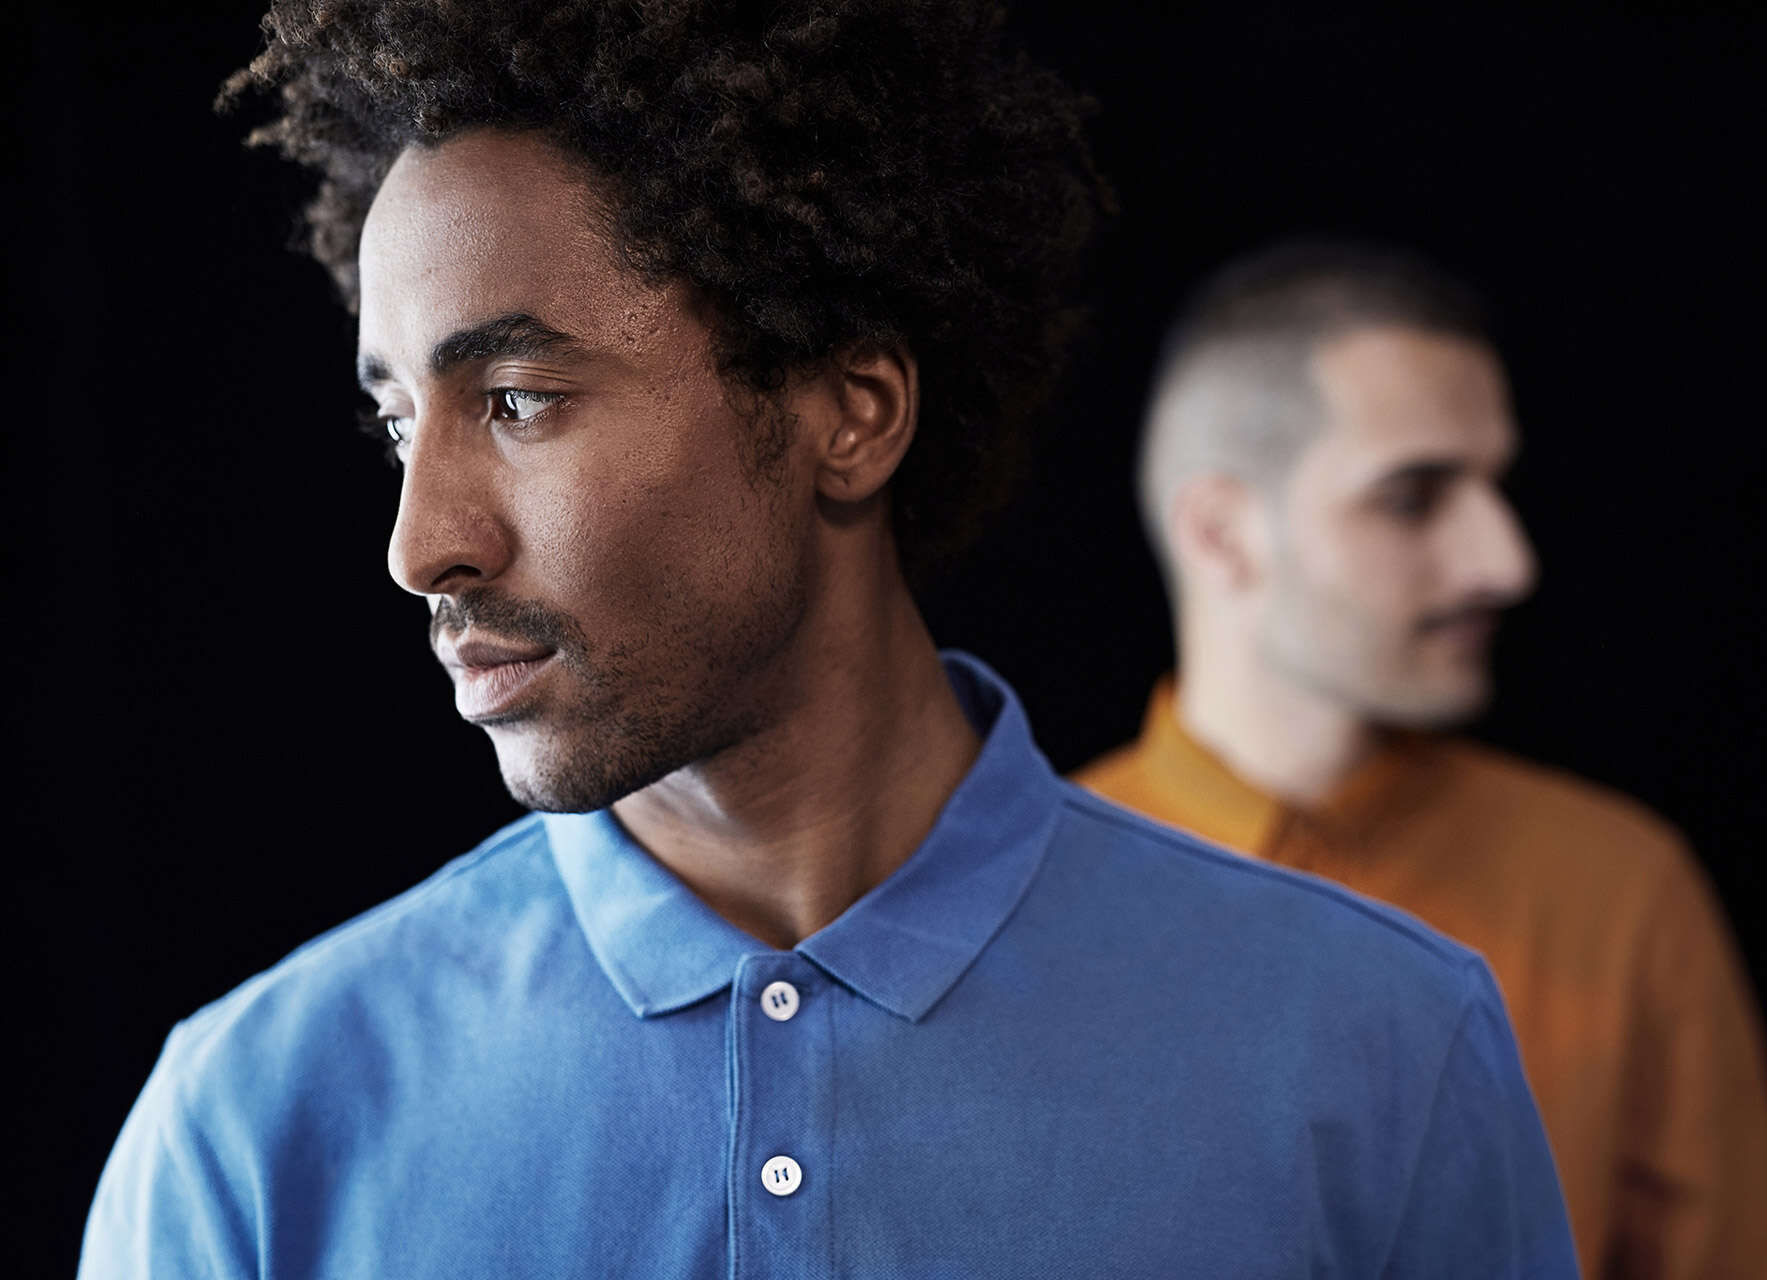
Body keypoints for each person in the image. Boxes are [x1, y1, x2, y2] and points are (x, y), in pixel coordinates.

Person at [80, 7, 1576, 1276]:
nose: (421, 547)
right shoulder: (249, 1129)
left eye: (520, 400)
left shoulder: (1387, 1056)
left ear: (851, 414)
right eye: (400, 424)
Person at [1077, 241, 1767, 1278]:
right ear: (1223, 533)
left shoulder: (1616, 889)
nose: (1505, 562)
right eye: (1414, 496)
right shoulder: (1017, 905)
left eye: (1495, 487)